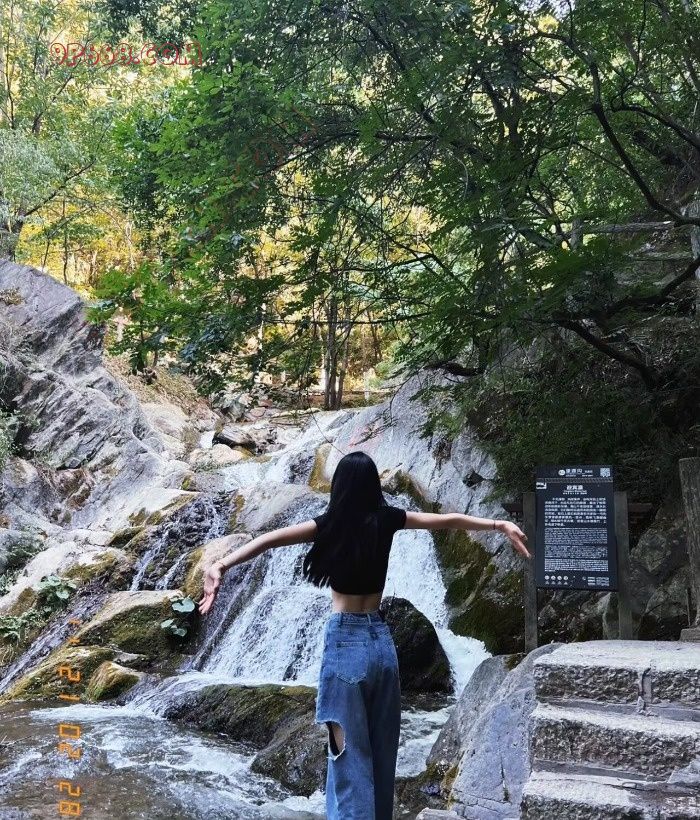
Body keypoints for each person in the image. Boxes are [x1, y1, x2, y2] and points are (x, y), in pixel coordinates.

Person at [198, 451, 530, 820]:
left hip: (345, 646)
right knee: (382, 754)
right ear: (373, 486)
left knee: (349, 759)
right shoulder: (388, 519)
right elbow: (446, 521)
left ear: (339, 487)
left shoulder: (328, 524)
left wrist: (220, 564)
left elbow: (269, 540)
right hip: (382, 645)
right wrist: (498, 525)